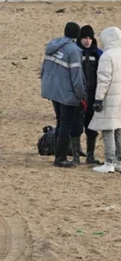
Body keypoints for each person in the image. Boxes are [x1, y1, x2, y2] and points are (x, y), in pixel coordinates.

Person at [41, 21, 87, 169]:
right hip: (66, 93)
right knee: (66, 125)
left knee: (60, 122)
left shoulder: (53, 45)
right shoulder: (73, 51)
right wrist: (82, 96)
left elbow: (44, 68)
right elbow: (76, 78)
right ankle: (60, 158)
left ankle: (58, 154)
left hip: (53, 91)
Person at [90, 27, 121, 174]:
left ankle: (109, 162)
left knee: (108, 129)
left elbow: (103, 80)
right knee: (120, 128)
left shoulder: (107, 56)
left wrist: (98, 98)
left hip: (109, 97)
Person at [78, 26, 102, 165]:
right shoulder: (76, 52)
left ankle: (90, 155)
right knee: (76, 127)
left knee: (91, 126)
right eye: (85, 38)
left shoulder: (98, 53)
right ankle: (75, 154)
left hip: (93, 95)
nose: (87, 41)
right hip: (79, 95)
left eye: (89, 38)